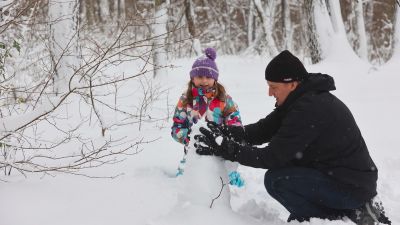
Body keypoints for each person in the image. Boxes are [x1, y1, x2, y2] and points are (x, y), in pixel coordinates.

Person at [194, 50, 391, 225]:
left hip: (351, 187)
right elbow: (262, 131)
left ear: (292, 84)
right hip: (342, 177)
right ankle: (337, 210)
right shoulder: (300, 98)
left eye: (273, 87)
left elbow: (271, 157)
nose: (269, 93)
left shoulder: (309, 108)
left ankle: (333, 217)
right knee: (283, 171)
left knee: (277, 180)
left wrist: (228, 148)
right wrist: (223, 132)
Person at [171, 47, 242, 177]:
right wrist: (188, 137)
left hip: (220, 153)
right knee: (187, 182)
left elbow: (236, 125)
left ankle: (228, 174)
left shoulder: (224, 100)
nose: (204, 81)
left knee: (223, 181)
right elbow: (177, 127)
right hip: (193, 153)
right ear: (192, 78)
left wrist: (224, 139)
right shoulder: (185, 100)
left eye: (208, 77)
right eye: (199, 76)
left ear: (215, 79)